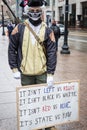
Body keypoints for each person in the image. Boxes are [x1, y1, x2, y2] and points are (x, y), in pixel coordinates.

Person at [8, 0, 57, 130]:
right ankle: (35, 125)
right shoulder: (19, 28)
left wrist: (51, 73)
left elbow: (52, 52)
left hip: (42, 73)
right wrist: (14, 69)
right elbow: (12, 48)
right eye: (32, 11)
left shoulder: (48, 30)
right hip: (26, 74)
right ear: (27, 11)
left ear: (41, 11)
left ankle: (48, 124)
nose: (35, 13)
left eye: (37, 11)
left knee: (45, 101)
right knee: (30, 103)